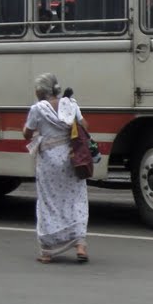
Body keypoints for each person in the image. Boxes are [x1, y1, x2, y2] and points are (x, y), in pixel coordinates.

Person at [22, 73, 91, 263]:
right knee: (75, 198)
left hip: (49, 162)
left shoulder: (37, 109)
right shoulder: (70, 103)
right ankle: (80, 245)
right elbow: (85, 126)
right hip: (71, 158)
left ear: (40, 92)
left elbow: (26, 134)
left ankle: (48, 251)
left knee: (49, 202)